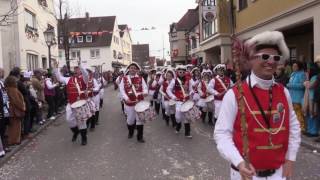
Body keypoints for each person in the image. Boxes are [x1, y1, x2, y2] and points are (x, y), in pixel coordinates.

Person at [214, 31, 301, 179]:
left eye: (276, 58)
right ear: (251, 60)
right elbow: (222, 134)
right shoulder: (234, 94)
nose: (271, 61)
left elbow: (293, 127)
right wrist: (240, 162)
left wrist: (290, 159)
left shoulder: (283, 92)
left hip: (278, 174)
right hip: (245, 175)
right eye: (265, 57)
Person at [54, 61, 90, 146]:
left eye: (77, 69)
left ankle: (84, 138)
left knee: (82, 122)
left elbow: (86, 74)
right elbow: (59, 78)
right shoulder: (68, 79)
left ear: (80, 70)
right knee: (69, 120)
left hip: (81, 104)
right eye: (75, 69)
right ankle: (76, 131)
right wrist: (56, 68)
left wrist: (80, 65)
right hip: (71, 103)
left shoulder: (84, 78)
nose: (76, 70)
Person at [119, 62, 148, 143]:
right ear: (129, 69)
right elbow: (121, 90)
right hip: (129, 103)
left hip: (139, 102)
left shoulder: (140, 78)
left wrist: (145, 92)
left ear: (137, 70)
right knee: (130, 120)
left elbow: (145, 88)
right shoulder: (124, 79)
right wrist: (126, 98)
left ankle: (140, 137)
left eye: (134, 68)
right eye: (131, 68)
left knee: (140, 120)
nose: (133, 69)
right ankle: (131, 132)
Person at [167, 65, 192, 138]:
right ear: (177, 72)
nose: (182, 73)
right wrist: (173, 96)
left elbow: (191, 89)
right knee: (178, 116)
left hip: (186, 101)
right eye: (180, 72)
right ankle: (178, 125)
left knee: (187, 117)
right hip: (178, 101)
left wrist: (190, 93)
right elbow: (168, 90)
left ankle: (187, 132)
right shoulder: (174, 80)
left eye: (183, 72)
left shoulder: (188, 80)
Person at [5, 75, 26, 146]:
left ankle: (12, 140)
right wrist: (23, 107)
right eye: (15, 82)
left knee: (11, 126)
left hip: (10, 110)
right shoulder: (13, 90)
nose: (16, 83)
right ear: (12, 82)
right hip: (14, 111)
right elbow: (17, 101)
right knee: (16, 126)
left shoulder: (7, 89)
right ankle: (14, 140)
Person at [286, 61, 306, 132]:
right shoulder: (293, 74)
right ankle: (296, 127)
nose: (293, 67)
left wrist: (290, 85)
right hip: (292, 96)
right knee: (294, 113)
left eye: (295, 66)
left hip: (298, 97)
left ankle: (302, 127)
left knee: (299, 113)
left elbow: (302, 85)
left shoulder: (302, 74)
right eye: (293, 66)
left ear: (299, 67)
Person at [303, 63, 320, 137]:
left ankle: (314, 131)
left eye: (309, 69)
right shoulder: (312, 77)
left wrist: (306, 80)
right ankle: (310, 130)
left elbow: (310, 86)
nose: (308, 71)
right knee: (309, 115)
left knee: (313, 115)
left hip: (312, 99)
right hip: (309, 98)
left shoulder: (315, 77)